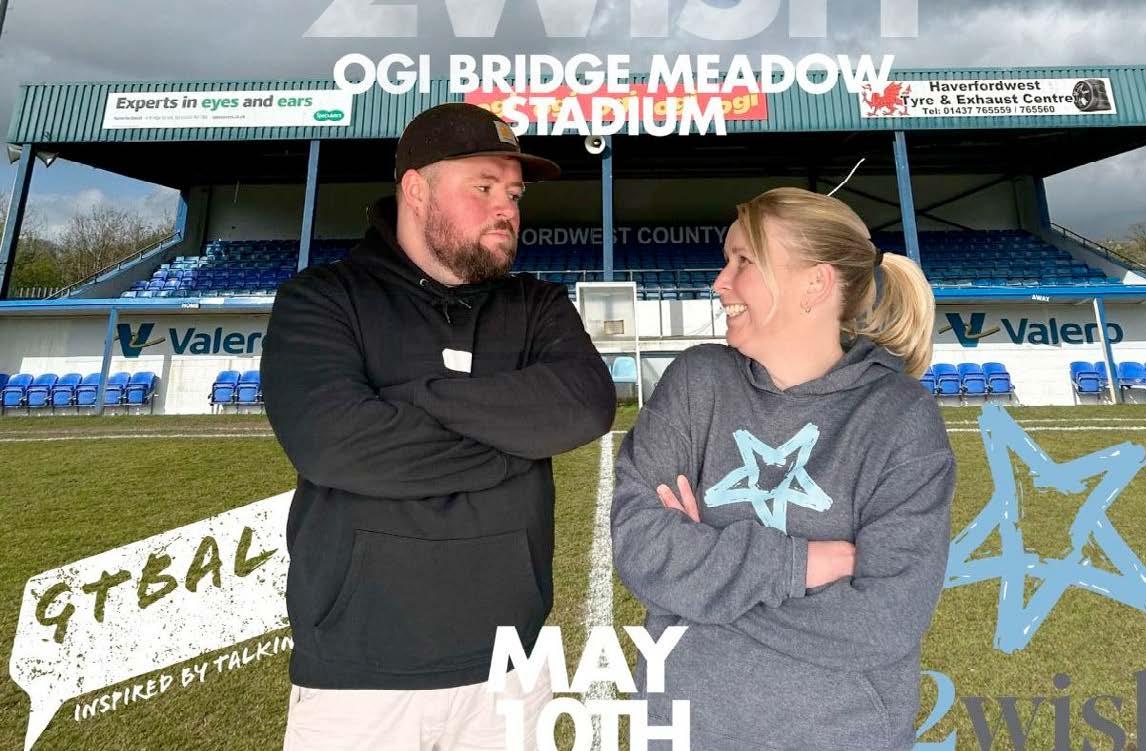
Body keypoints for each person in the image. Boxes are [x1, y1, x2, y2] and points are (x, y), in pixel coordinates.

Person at [262, 102, 617, 750]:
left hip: (512, 673)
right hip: (355, 683)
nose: (507, 208)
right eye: (484, 187)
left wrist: (411, 399)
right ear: (416, 190)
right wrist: (514, 445)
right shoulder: (322, 299)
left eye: (513, 194)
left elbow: (588, 405)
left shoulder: (537, 305)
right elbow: (334, 444)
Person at [611, 187, 955, 750]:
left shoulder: (900, 418)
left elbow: (884, 621)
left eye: (744, 261)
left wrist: (700, 583)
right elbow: (640, 547)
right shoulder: (696, 383)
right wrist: (800, 564)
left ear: (815, 284)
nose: (720, 282)